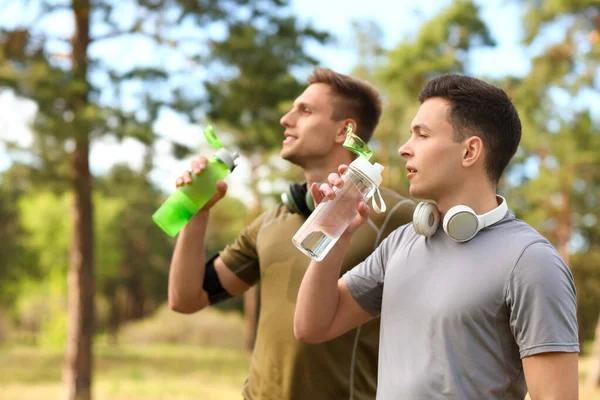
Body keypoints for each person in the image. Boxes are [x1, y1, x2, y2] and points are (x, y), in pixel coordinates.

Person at [294, 74, 580, 399]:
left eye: (422, 135)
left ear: (470, 151)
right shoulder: (400, 243)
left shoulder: (531, 260)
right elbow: (312, 326)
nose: (404, 149)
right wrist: (334, 237)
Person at [168, 67, 415, 399]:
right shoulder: (271, 222)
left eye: (305, 110)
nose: (286, 119)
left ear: (344, 130)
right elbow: (186, 298)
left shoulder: (397, 219)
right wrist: (197, 215)